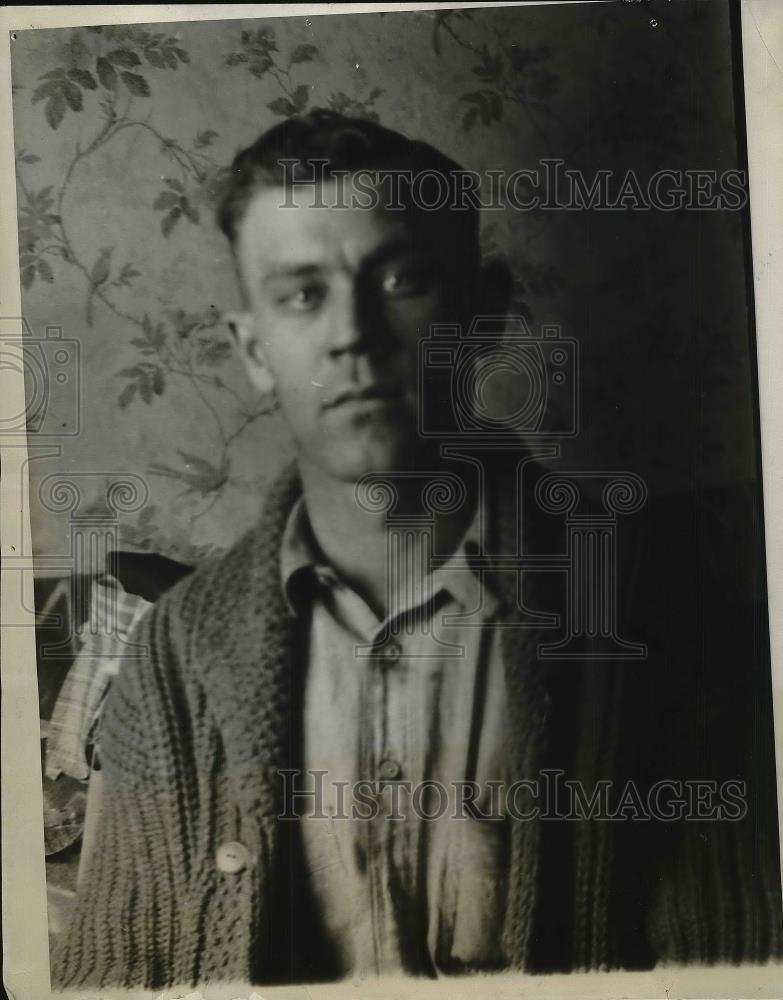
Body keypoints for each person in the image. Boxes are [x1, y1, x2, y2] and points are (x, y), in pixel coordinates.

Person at [51, 110, 783, 990]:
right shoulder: (172, 663)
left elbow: (730, 963)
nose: (351, 334)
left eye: (399, 279)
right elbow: (115, 972)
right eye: (300, 294)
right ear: (253, 351)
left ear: (482, 314)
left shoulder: (655, 610)